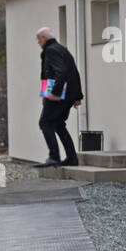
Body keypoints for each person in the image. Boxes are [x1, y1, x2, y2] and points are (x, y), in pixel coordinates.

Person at [36, 27, 83, 168]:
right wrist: (77, 96)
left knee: (45, 123)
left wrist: (55, 93)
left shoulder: (51, 50)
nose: (38, 42)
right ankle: (72, 158)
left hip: (58, 95)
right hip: (68, 94)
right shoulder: (62, 49)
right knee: (58, 124)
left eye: (39, 39)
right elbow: (74, 72)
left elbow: (61, 72)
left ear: (44, 38)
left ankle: (54, 157)